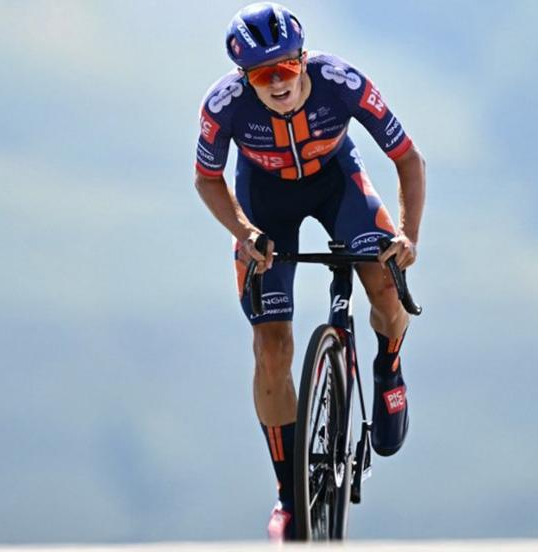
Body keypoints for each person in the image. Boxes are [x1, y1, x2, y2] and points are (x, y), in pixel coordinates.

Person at [193, 2, 426, 541]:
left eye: (287, 68)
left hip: (336, 183)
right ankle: (288, 494)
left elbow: (408, 159)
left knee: (385, 286)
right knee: (271, 347)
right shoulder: (222, 106)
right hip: (263, 200)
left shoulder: (340, 81)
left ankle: (389, 368)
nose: (277, 83)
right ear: (243, 78)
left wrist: (408, 236)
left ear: (303, 60)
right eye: (261, 75)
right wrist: (244, 231)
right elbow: (207, 179)